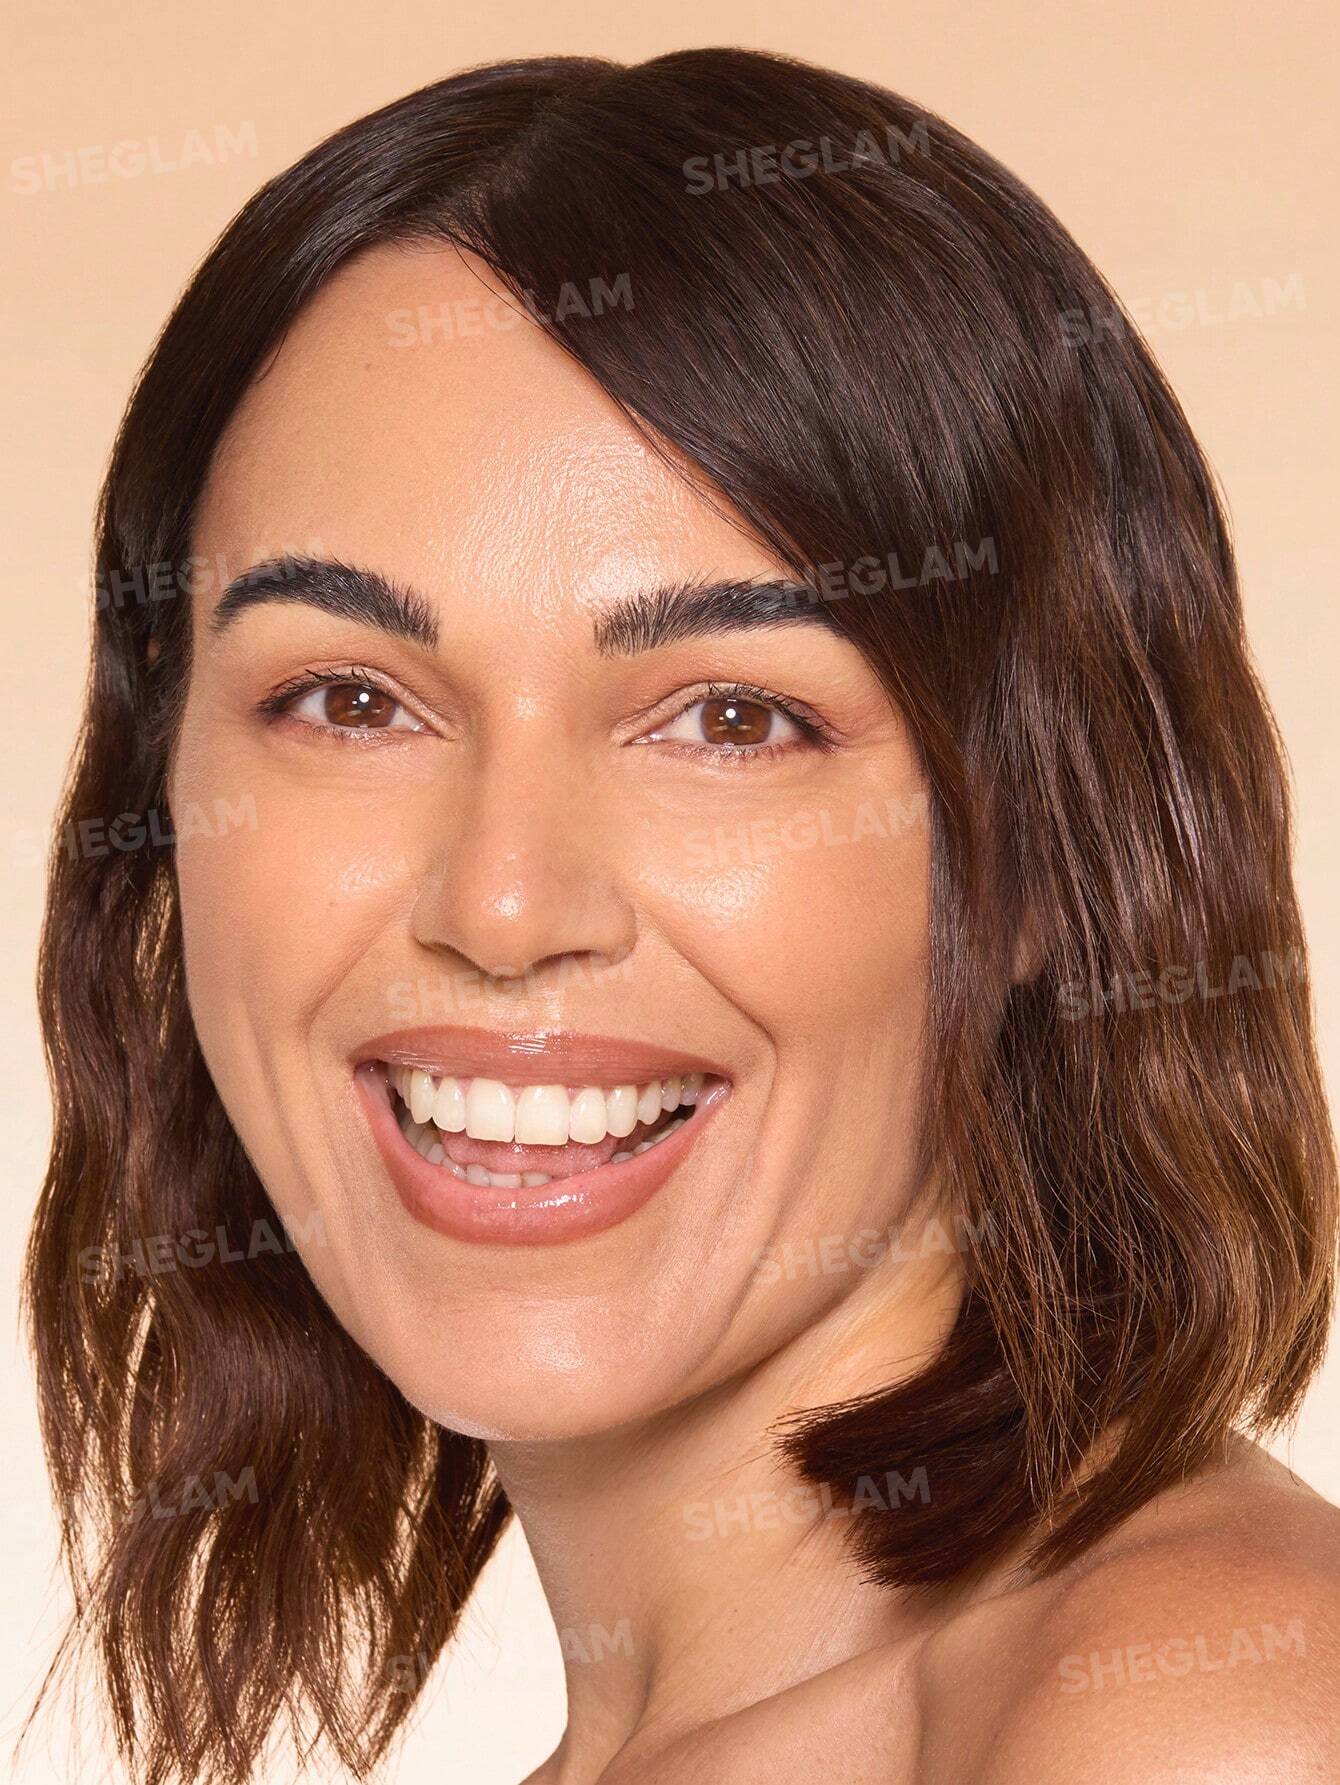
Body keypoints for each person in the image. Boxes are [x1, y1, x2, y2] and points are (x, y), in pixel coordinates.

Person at [22, 47, 1339, 1785]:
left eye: (730, 718)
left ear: (1050, 849)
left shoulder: (1194, 1718)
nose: (503, 904)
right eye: (350, 700)